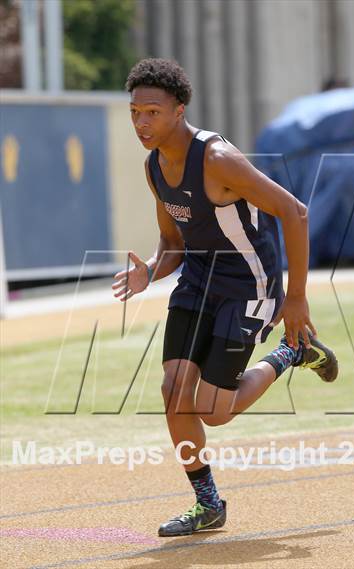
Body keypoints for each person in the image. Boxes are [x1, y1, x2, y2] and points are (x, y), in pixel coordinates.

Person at [112, 58, 338, 537]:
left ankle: (291, 351)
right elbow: (173, 244)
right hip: (197, 282)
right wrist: (150, 272)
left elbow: (293, 213)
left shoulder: (216, 159)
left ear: (179, 110)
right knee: (174, 393)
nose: (141, 123)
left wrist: (296, 299)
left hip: (248, 284)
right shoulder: (155, 167)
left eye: (152, 112)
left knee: (214, 412)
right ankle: (207, 503)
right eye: (135, 112)